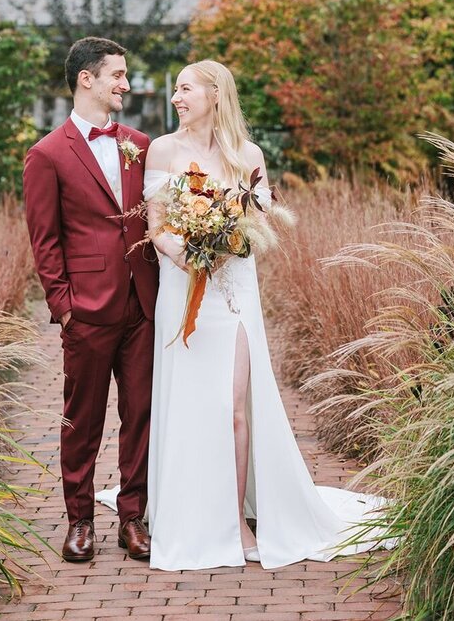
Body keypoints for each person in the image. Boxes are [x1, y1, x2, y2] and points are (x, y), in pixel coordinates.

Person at [106, 59, 392, 570]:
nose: (176, 97)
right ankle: (186, 509)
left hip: (233, 291)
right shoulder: (162, 150)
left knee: (235, 407)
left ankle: (236, 518)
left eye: (186, 88)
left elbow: (259, 228)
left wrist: (226, 242)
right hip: (183, 289)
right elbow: (156, 227)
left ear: (216, 94)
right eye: (175, 90)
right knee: (191, 403)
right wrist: (191, 254)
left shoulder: (247, 155)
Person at [23, 37, 158, 563]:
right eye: (117, 75)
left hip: (144, 305)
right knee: (82, 419)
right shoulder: (47, 155)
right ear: (87, 79)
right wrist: (64, 307)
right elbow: (45, 239)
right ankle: (79, 520)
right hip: (87, 309)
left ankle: (133, 519)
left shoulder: (142, 145)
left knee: (141, 414)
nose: (126, 84)